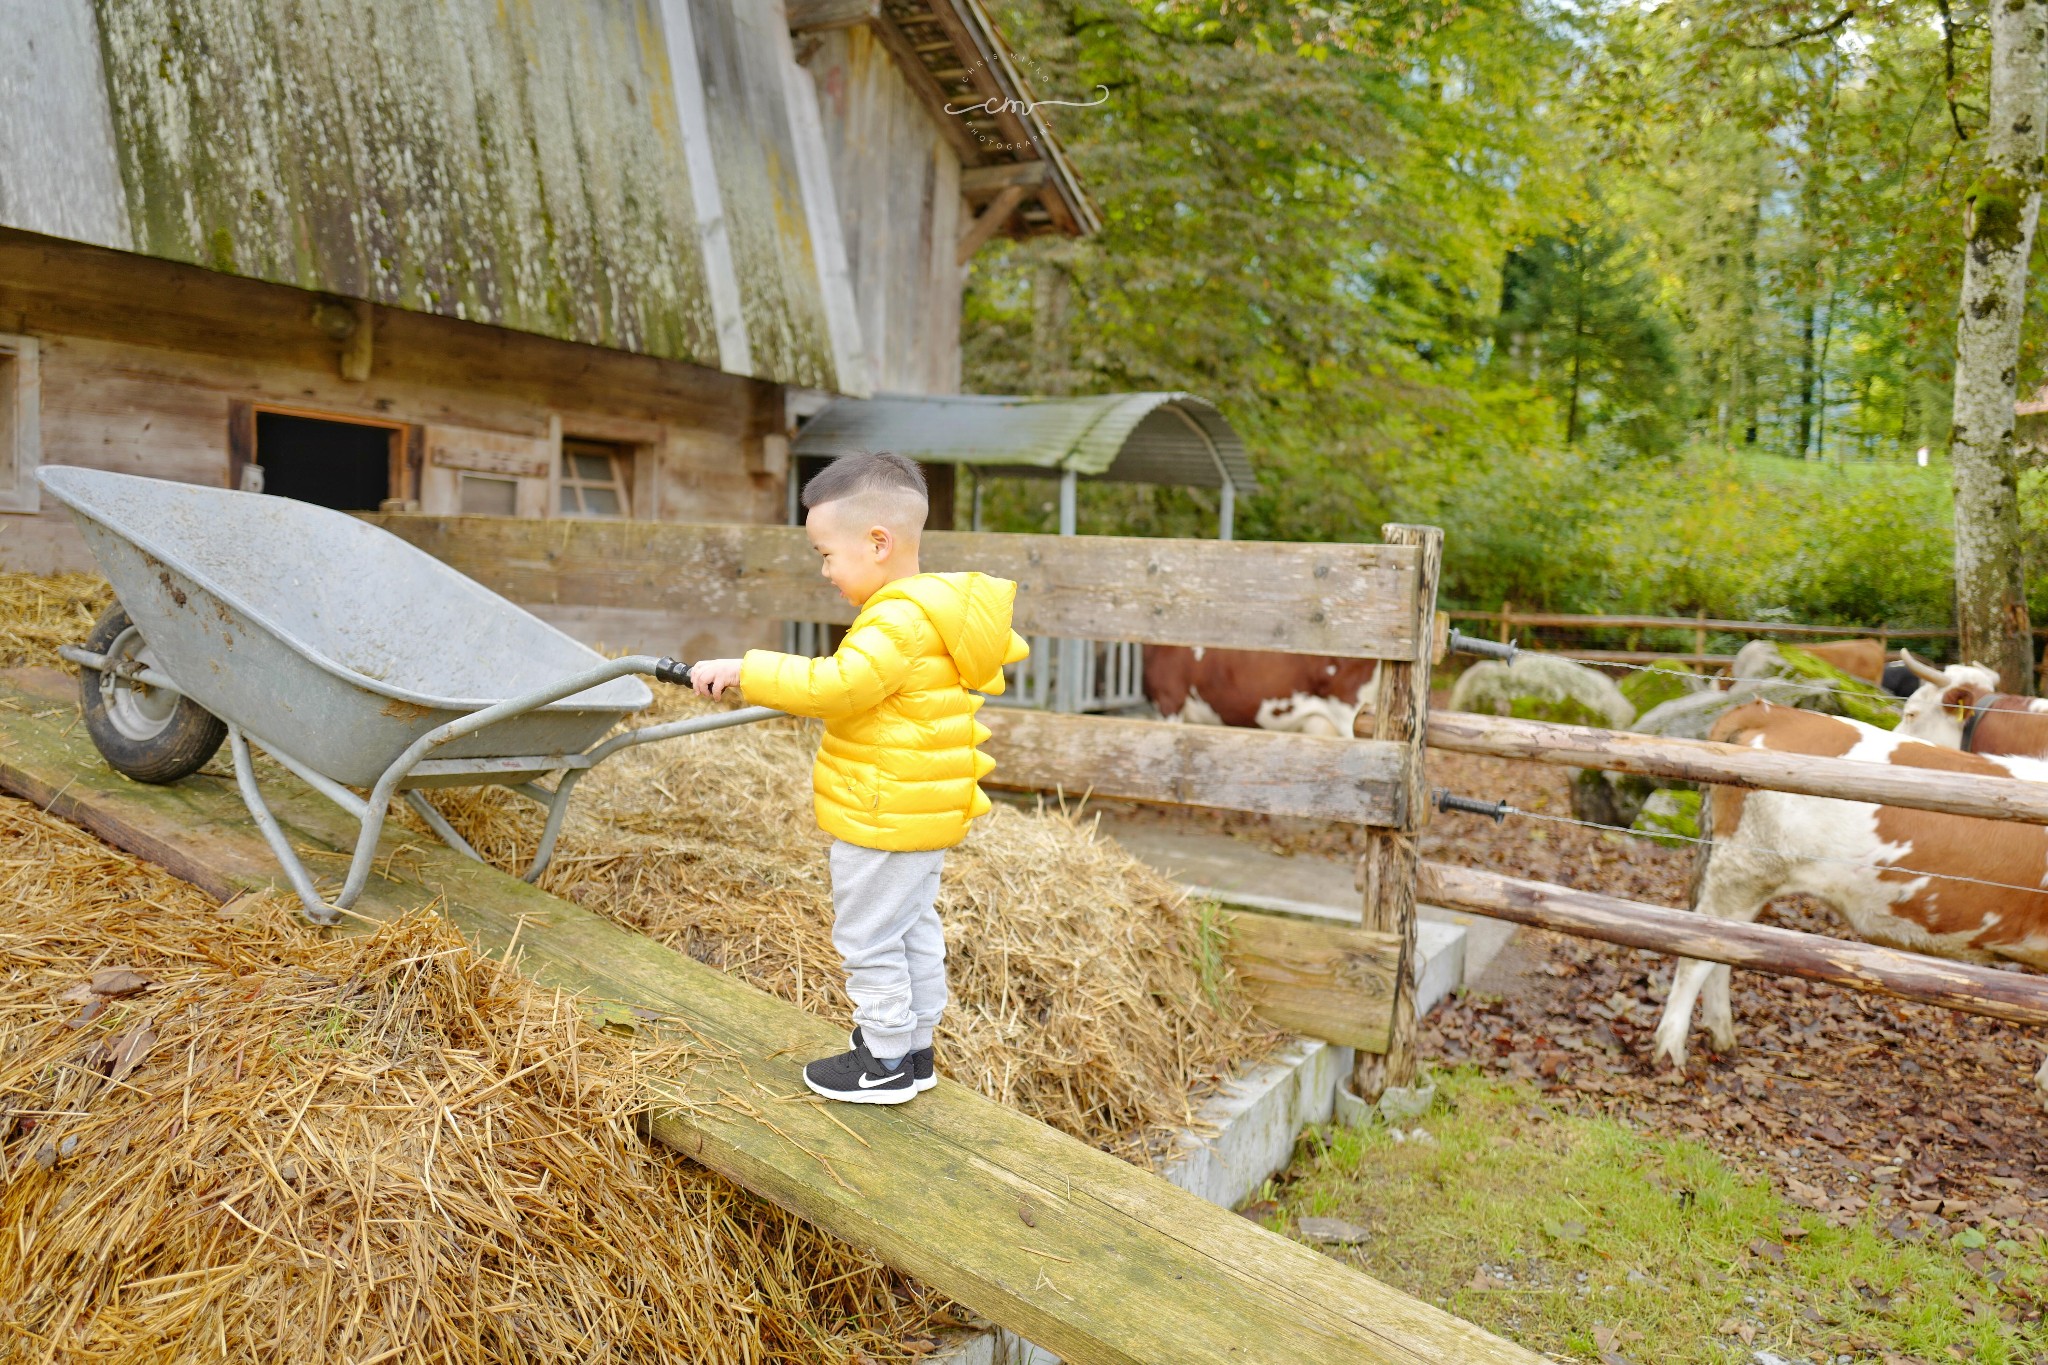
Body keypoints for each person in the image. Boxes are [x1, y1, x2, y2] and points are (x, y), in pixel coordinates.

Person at [689, 452, 1028, 1103]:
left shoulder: (895, 619)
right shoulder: (930, 611)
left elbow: (837, 686)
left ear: (878, 543)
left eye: (826, 553)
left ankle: (883, 1060)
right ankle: (915, 1045)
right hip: (918, 811)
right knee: (909, 925)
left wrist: (744, 668)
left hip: (884, 813)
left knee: (867, 933)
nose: (823, 569)